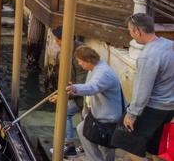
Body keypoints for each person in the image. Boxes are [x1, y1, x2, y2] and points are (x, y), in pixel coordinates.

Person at [112, 13, 174, 160]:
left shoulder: (148, 56)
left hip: (152, 107)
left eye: (130, 30)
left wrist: (132, 114)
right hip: (169, 108)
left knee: (126, 142)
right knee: (155, 147)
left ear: (137, 31)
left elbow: (142, 90)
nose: (130, 33)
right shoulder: (169, 45)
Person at [67, 46, 123, 161]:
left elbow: (92, 87)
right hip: (100, 112)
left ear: (88, 60)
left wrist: (74, 88)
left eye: (80, 61)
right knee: (82, 129)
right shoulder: (95, 68)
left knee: (106, 145)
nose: (79, 64)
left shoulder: (103, 73)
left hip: (109, 116)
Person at [48, 25, 85, 158]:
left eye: (57, 40)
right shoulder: (70, 50)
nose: (56, 43)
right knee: (83, 120)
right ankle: (82, 146)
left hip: (86, 95)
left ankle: (70, 146)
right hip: (78, 91)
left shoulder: (80, 54)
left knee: (65, 113)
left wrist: (64, 96)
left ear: (64, 39)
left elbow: (83, 84)